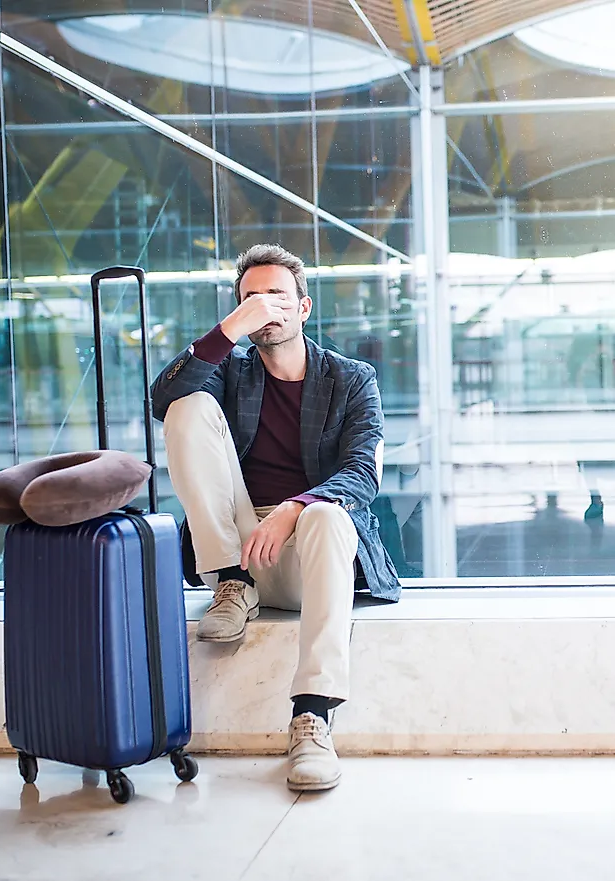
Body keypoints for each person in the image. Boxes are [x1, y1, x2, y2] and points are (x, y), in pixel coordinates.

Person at [151, 244, 400, 793]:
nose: (266, 307)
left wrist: (294, 507)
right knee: (186, 405)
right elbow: (162, 397)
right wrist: (230, 329)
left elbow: (363, 472)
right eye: (251, 298)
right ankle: (233, 586)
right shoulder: (229, 373)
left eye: (277, 297)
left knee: (331, 516)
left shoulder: (353, 379)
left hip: (311, 555)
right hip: (237, 552)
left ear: (304, 307)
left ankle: (312, 717)